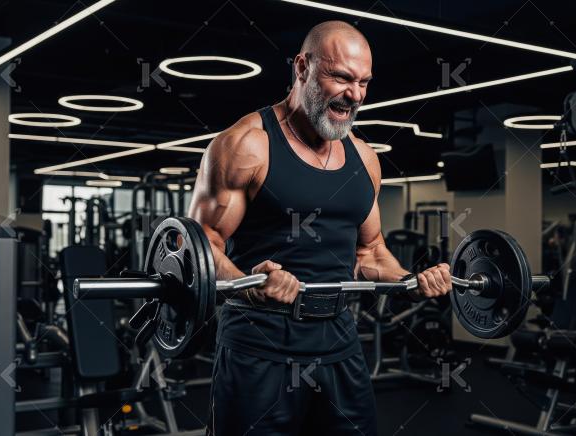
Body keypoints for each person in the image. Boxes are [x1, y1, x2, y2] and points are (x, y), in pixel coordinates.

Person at [189, 20, 452, 436]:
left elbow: (369, 254)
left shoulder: (365, 159)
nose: (356, 95)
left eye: (364, 82)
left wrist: (411, 280)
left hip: (340, 347)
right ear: (302, 67)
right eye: (342, 78)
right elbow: (202, 244)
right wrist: (247, 283)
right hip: (261, 350)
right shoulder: (247, 144)